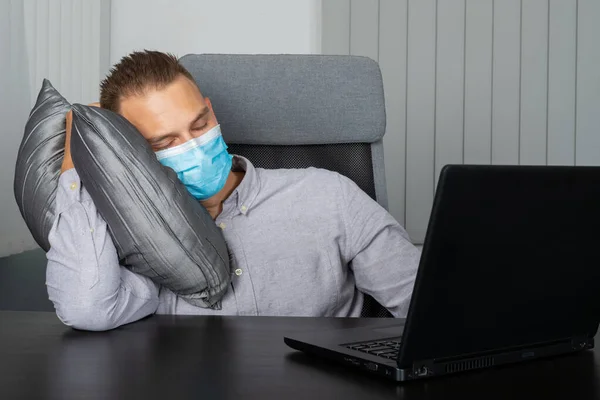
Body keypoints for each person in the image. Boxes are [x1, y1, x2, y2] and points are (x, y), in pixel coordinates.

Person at [46, 50, 420, 331]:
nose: (193, 145)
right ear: (133, 151)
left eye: (199, 124)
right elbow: (86, 305)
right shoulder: (136, 242)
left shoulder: (329, 195)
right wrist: (77, 160)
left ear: (210, 110)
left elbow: (428, 307)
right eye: (164, 142)